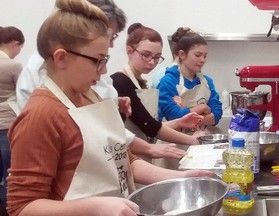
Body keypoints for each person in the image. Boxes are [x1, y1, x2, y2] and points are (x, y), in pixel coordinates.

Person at [7, 1, 213, 215]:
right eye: (97, 60)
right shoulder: (42, 114)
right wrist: (95, 206)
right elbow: (21, 207)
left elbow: (124, 161)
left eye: (105, 59)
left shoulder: (91, 98)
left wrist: (181, 178)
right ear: (61, 58)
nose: (104, 69)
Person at [15, 0, 195, 161]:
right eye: (110, 35)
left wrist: (113, 105)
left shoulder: (87, 83)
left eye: (156, 57)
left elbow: (106, 131)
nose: (110, 44)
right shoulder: (43, 96)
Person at [111, 23, 207, 148]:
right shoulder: (120, 82)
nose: (152, 62)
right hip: (128, 154)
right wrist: (191, 140)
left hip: (144, 149)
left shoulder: (140, 82)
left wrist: (180, 122)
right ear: (129, 51)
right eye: (146, 55)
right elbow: (149, 126)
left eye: (157, 57)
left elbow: (147, 124)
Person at [157, 27, 222, 127]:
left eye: (205, 56)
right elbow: (173, 116)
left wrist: (186, 111)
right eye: (197, 55)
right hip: (174, 141)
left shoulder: (207, 82)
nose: (202, 60)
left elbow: (216, 115)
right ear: (182, 54)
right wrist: (202, 108)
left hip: (201, 140)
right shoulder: (168, 81)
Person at [0, 26, 24, 209]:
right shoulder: (13, 66)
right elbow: (24, 94)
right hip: (8, 124)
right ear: (15, 44)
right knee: (11, 171)